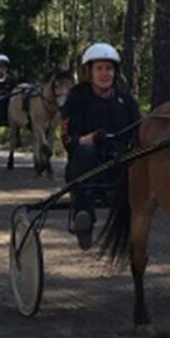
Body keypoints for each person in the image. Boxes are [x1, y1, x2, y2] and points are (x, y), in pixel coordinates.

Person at [61, 42, 141, 250]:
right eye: (100, 68)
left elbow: (138, 131)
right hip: (86, 165)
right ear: (90, 72)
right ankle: (83, 216)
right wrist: (87, 139)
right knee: (85, 151)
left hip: (119, 161)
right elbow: (67, 138)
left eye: (109, 68)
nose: (105, 73)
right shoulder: (77, 98)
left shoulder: (126, 101)